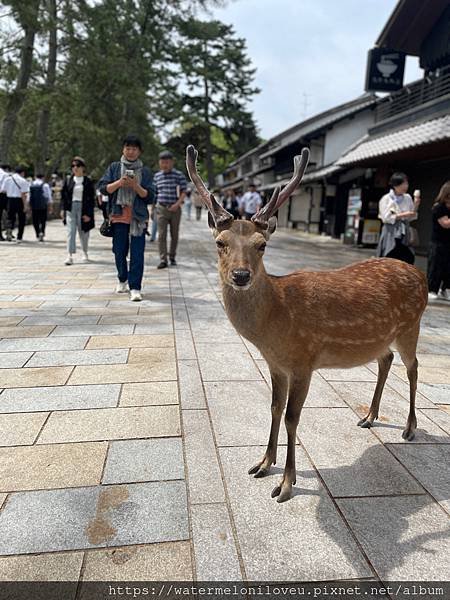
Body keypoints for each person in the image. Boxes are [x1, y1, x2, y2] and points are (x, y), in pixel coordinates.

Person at [97, 135, 155, 302]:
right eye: (128, 148)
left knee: (137, 254)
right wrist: (119, 183)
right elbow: (102, 188)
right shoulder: (114, 167)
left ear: (140, 152)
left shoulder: (145, 172)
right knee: (119, 251)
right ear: (123, 150)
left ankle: (135, 287)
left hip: (138, 218)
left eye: (134, 149)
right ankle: (122, 278)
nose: (130, 152)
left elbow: (150, 197)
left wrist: (136, 186)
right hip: (118, 216)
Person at [376, 172, 420, 265]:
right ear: (395, 185)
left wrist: (416, 205)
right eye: (403, 184)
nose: (406, 186)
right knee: (389, 257)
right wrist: (403, 214)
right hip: (390, 232)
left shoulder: (407, 198)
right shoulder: (386, 199)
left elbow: (411, 216)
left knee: (407, 259)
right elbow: (386, 218)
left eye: (407, 183)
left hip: (404, 232)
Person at [153, 150, 187, 269]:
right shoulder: (157, 176)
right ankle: (163, 259)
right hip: (161, 208)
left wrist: (177, 204)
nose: (165, 165)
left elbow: (184, 191)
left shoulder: (179, 175)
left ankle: (172, 256)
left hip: (175, 209)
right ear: (159, 163)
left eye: (167, 162)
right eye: (162, 162)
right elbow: (154, 193)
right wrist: (152, 209)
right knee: (161, 235)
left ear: (172, 162)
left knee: (174, 234)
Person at [61, 156, 95, 265]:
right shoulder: (68, 180)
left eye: (78, 166)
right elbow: (64, 196)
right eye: (73, 166)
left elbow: (91, 199)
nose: (75, 168)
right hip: (71, 208)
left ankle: (85, 252)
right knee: (71, 231)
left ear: (83, 168)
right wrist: (63, 209)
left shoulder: (88, 181)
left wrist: (89, 214)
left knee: (84, 232)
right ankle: (69, 255)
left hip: (84, 208)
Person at [427, 181, 450, 302]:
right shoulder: (438, 207)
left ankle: (445, 289)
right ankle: (432, 290)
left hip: (449, 244)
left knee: (448, 268)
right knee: (436, 267)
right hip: (438, 243)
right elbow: (445, 224)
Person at [0, 166, 30, 243]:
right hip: (19, 200)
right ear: (22, 173)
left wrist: (11, 191)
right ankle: (19, 237)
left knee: (10, 217)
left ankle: (9, 230)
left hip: (10, 200)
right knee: (21, 219)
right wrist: (25, 205)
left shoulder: (7, 179)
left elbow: (3, 190)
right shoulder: (23, 181)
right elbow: (24, 194)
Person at [29, 173, 52, 241]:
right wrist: (50, 206)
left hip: (34, 205)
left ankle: (37, 233)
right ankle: (42, 231)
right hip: (43, 205)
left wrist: (28, 206)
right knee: (43, 220)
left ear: (35, 177)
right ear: (43, 177)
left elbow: (28, 196)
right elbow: (49, 197)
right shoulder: (45, 185)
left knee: (35, 220)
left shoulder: (31, 184)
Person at [0, 164, 11, 241]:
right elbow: (6, 188)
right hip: (4, 196)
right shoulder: (6, 175)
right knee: (9, 215)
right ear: (6, 169)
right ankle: (8, 233)